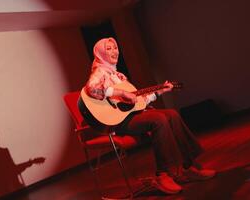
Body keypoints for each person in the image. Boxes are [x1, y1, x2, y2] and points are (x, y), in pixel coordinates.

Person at [81, 37, 216, 194]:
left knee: (171, 114)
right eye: (109, 48)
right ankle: (162, 174)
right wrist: (120, 92)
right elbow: (91, 89)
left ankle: (188, 167)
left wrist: (159, 91)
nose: (114, 51)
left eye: (115, 47)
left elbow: (139, 102)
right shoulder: (99, 72)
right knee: (158, 119)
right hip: (118, 123)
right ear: (100, 53)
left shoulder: (120, 76)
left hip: (131, 117)